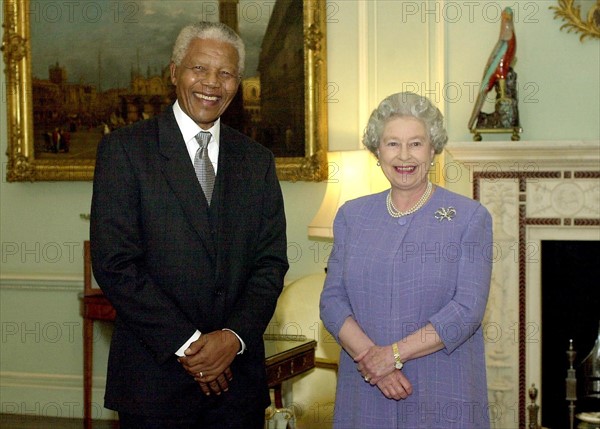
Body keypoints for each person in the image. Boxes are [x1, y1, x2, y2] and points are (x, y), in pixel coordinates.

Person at [90, 21, 288, 429]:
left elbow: (270, 265)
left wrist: (231, 338)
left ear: (238, 81)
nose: (211, 83)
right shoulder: (125, 151)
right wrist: (192, 346)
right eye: (199, 68)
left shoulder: (256, 161)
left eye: (226, 73)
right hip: (155, 382)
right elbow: (115, 264)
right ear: (174, 71)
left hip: (237, 385)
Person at [320, 92, 493, 429]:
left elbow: (468, 309)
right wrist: (375, 361)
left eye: (415, 143)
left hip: (443, 388)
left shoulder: (469, 217)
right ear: (377, 150)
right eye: (392, 143)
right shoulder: (352, 216)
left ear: (433, 150)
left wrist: (392, 356)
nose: (404, 156)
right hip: (366, 389)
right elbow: (332, 302)